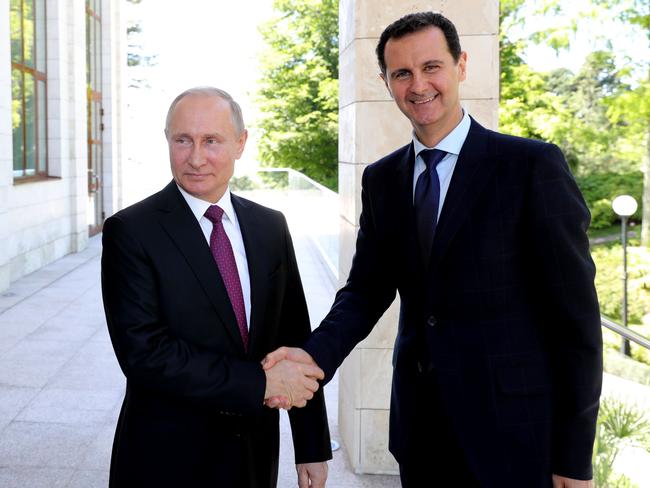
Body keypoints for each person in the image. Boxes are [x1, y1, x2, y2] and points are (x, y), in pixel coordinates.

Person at [264, 12, 602, 488]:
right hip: (420, 430)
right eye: (402, 73)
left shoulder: (530, 167)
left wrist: (573, 455)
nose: (418, 85)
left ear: (461, 65)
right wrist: (312, 357)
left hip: (515, 437)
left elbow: (577, 323)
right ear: (385, 81)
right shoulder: (382, 180)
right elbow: (365, 292)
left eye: (432, 67)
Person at [101, 86, 331, 488]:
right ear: (168, 141)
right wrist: (260, 384)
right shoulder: (131, 231)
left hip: (253, 456)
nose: (195, 157)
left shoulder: (270, 226)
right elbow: (144, 353)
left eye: (211, 141)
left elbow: (293, 334)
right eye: (182, 140)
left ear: (241, 143)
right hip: (166, 458)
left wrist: (311, 443)